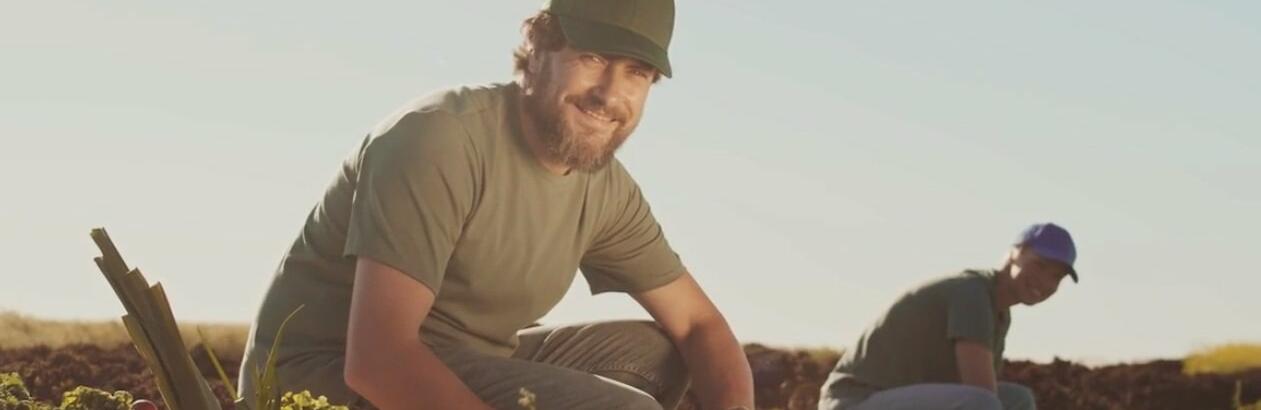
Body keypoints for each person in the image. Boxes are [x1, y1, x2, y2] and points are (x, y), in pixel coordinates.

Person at [235, 0, 755, 409]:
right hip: (318, 380)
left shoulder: (605, 190)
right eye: (592, 58)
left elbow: (699, 326)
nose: (609, 93)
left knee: (656, 355)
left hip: (459, 360)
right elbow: (377, 361)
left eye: (636, 72)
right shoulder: (438, 140)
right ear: (539, 49)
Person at [817, 223, 1081, 410]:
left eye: (1056, 277)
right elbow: (981, 393)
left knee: (1018, 399)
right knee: (982, 402)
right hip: (854, 402)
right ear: (1015, 252)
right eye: (1040, 265)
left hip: (896, 400)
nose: (1045, 281)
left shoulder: (998, 312)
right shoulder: (972, 294)